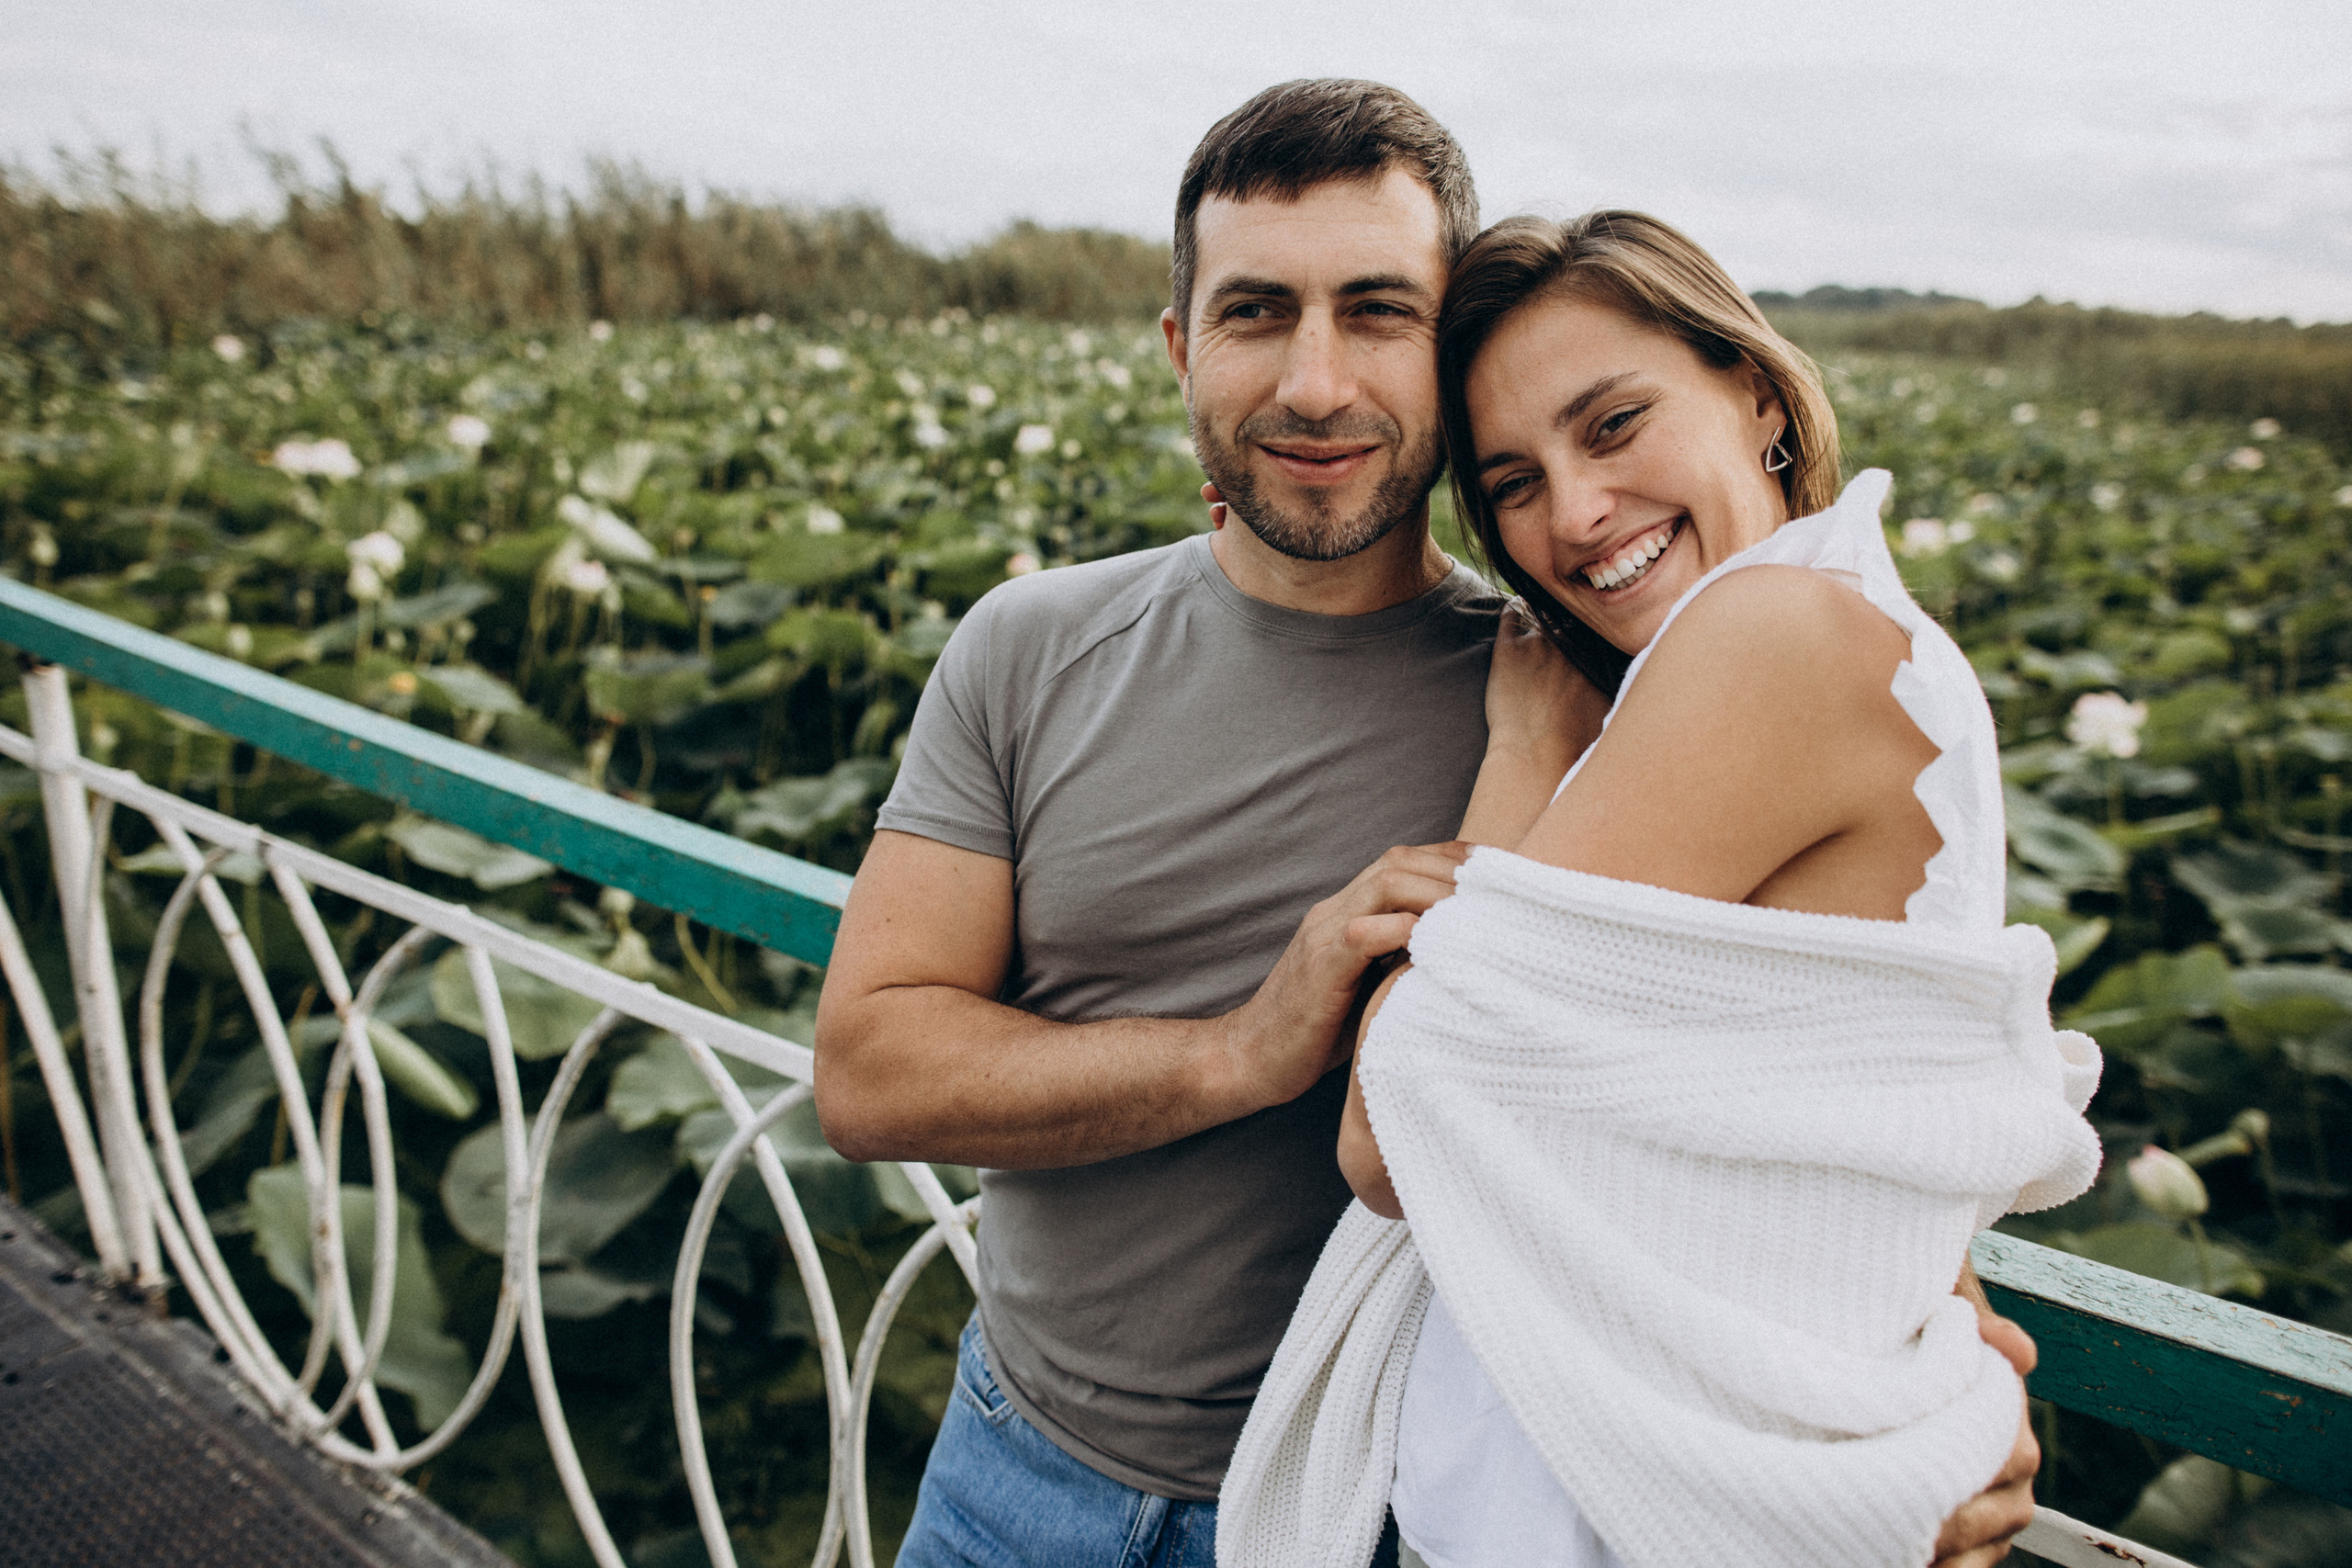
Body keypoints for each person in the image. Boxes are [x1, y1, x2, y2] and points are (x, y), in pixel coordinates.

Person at [816, 81, 2046, 1567]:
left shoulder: (1601, 685)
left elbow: (1812, 1027)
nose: (1317, 382)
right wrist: (1239, 1048)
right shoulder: (1029, 646)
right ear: (1179, 347)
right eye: (1257, 311)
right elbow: (870, 1070)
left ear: (1443, 342)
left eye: (1379, 312)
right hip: (1015, 1472)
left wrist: (1919, 1325)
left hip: (1382, 1506)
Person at [1216, 211, 2101, 1568]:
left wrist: (1518, 755)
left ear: (1756, 390)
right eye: (1513, 480)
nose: (1572, 514)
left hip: (1614, 1514)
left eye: (1615, 424)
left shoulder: (1774, 631)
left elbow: (1387, 1143)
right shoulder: (1848, 623)